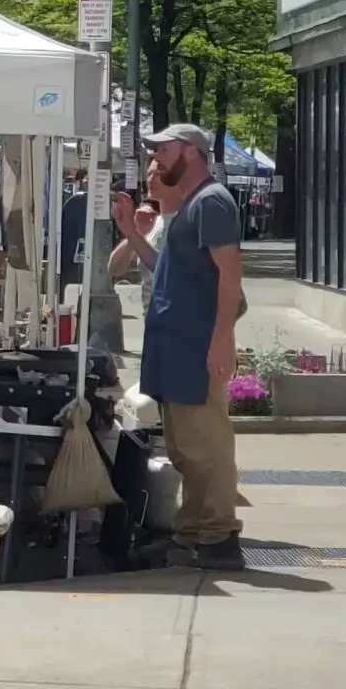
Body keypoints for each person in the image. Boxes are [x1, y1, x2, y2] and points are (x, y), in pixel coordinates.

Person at [114, 124, 245, 569]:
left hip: (196, 343)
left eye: (161, 150)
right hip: (176, 344)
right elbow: (163, 269)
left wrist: (222, 340)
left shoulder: (211, 202)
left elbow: (230, 275)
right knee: (185, 447)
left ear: (190, 152)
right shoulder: (189, 206)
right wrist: (130, 231)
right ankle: (193, 536)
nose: (153, 159)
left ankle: (218, 538)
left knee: (205, 446)